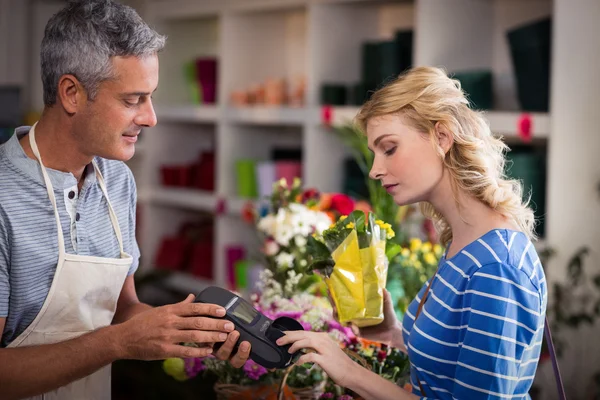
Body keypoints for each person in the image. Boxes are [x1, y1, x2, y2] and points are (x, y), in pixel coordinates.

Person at [0, 1, 250, 399]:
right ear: (71, 94)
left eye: (150, 97)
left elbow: (123, 308)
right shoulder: (3, 196)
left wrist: (191, 332)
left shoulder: (116, 180)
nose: (151, 118)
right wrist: (117, 343)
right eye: (133, 99)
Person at [278, 66, 547, 399]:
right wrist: (391, 333)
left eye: (389, 148)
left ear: (442, 137)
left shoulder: (495, 268)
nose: (376, 170)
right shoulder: (463, 241)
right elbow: (444, 374)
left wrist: (349, 372)